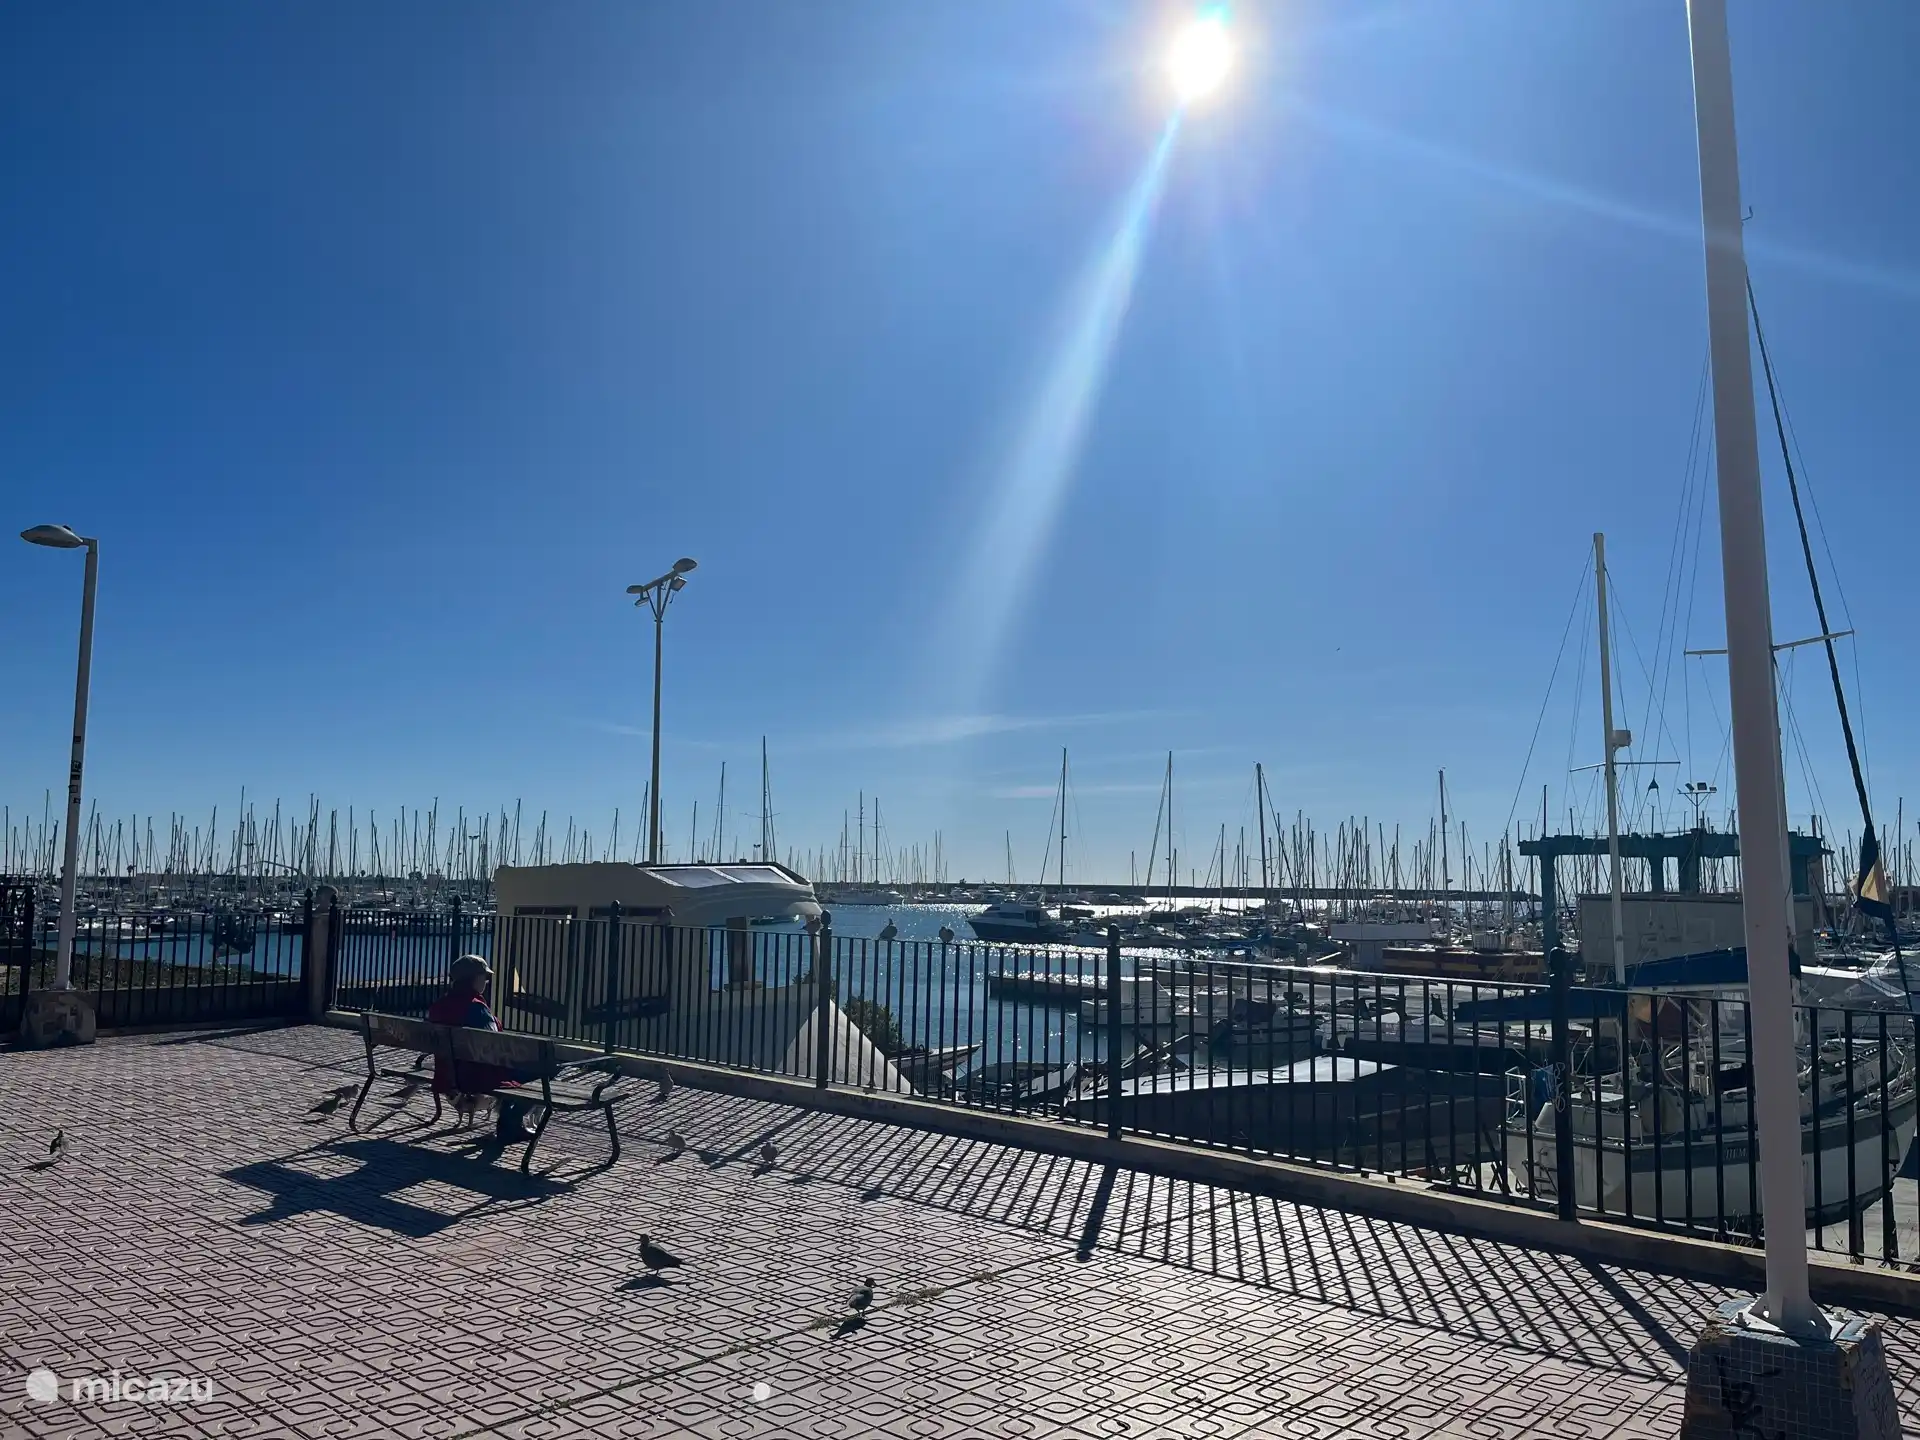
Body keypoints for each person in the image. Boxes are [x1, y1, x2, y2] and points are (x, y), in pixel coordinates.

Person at [427, 953, 535, 1143]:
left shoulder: (439, 1005)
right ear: (474, 979)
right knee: (545, 1070)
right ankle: (510, 1122)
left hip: (448, 1073)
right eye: (484, 977)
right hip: (476, 1076)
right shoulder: (476, 1008)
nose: (486, 981)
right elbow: (495, 1047)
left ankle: (509, 1122)